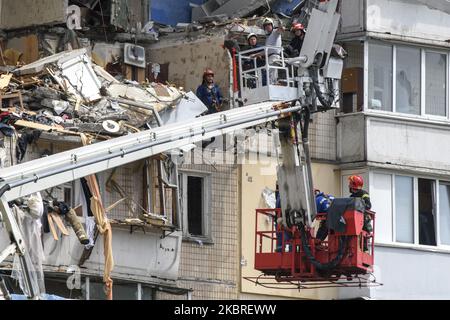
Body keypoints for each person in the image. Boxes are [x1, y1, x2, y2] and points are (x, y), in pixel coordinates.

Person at [262, 18, 285, 85]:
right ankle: (273, 83)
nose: (267, 26)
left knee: (269, 71)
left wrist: (281, 25)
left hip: (274, 56)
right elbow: (266, 51)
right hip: (269, 57)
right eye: (266, 25)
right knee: (269, 73)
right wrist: (256, 54)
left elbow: (281, 30)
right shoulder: (268, 38)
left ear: (272, 25)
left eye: (269, 24)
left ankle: (273, 84)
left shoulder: (275, 32)